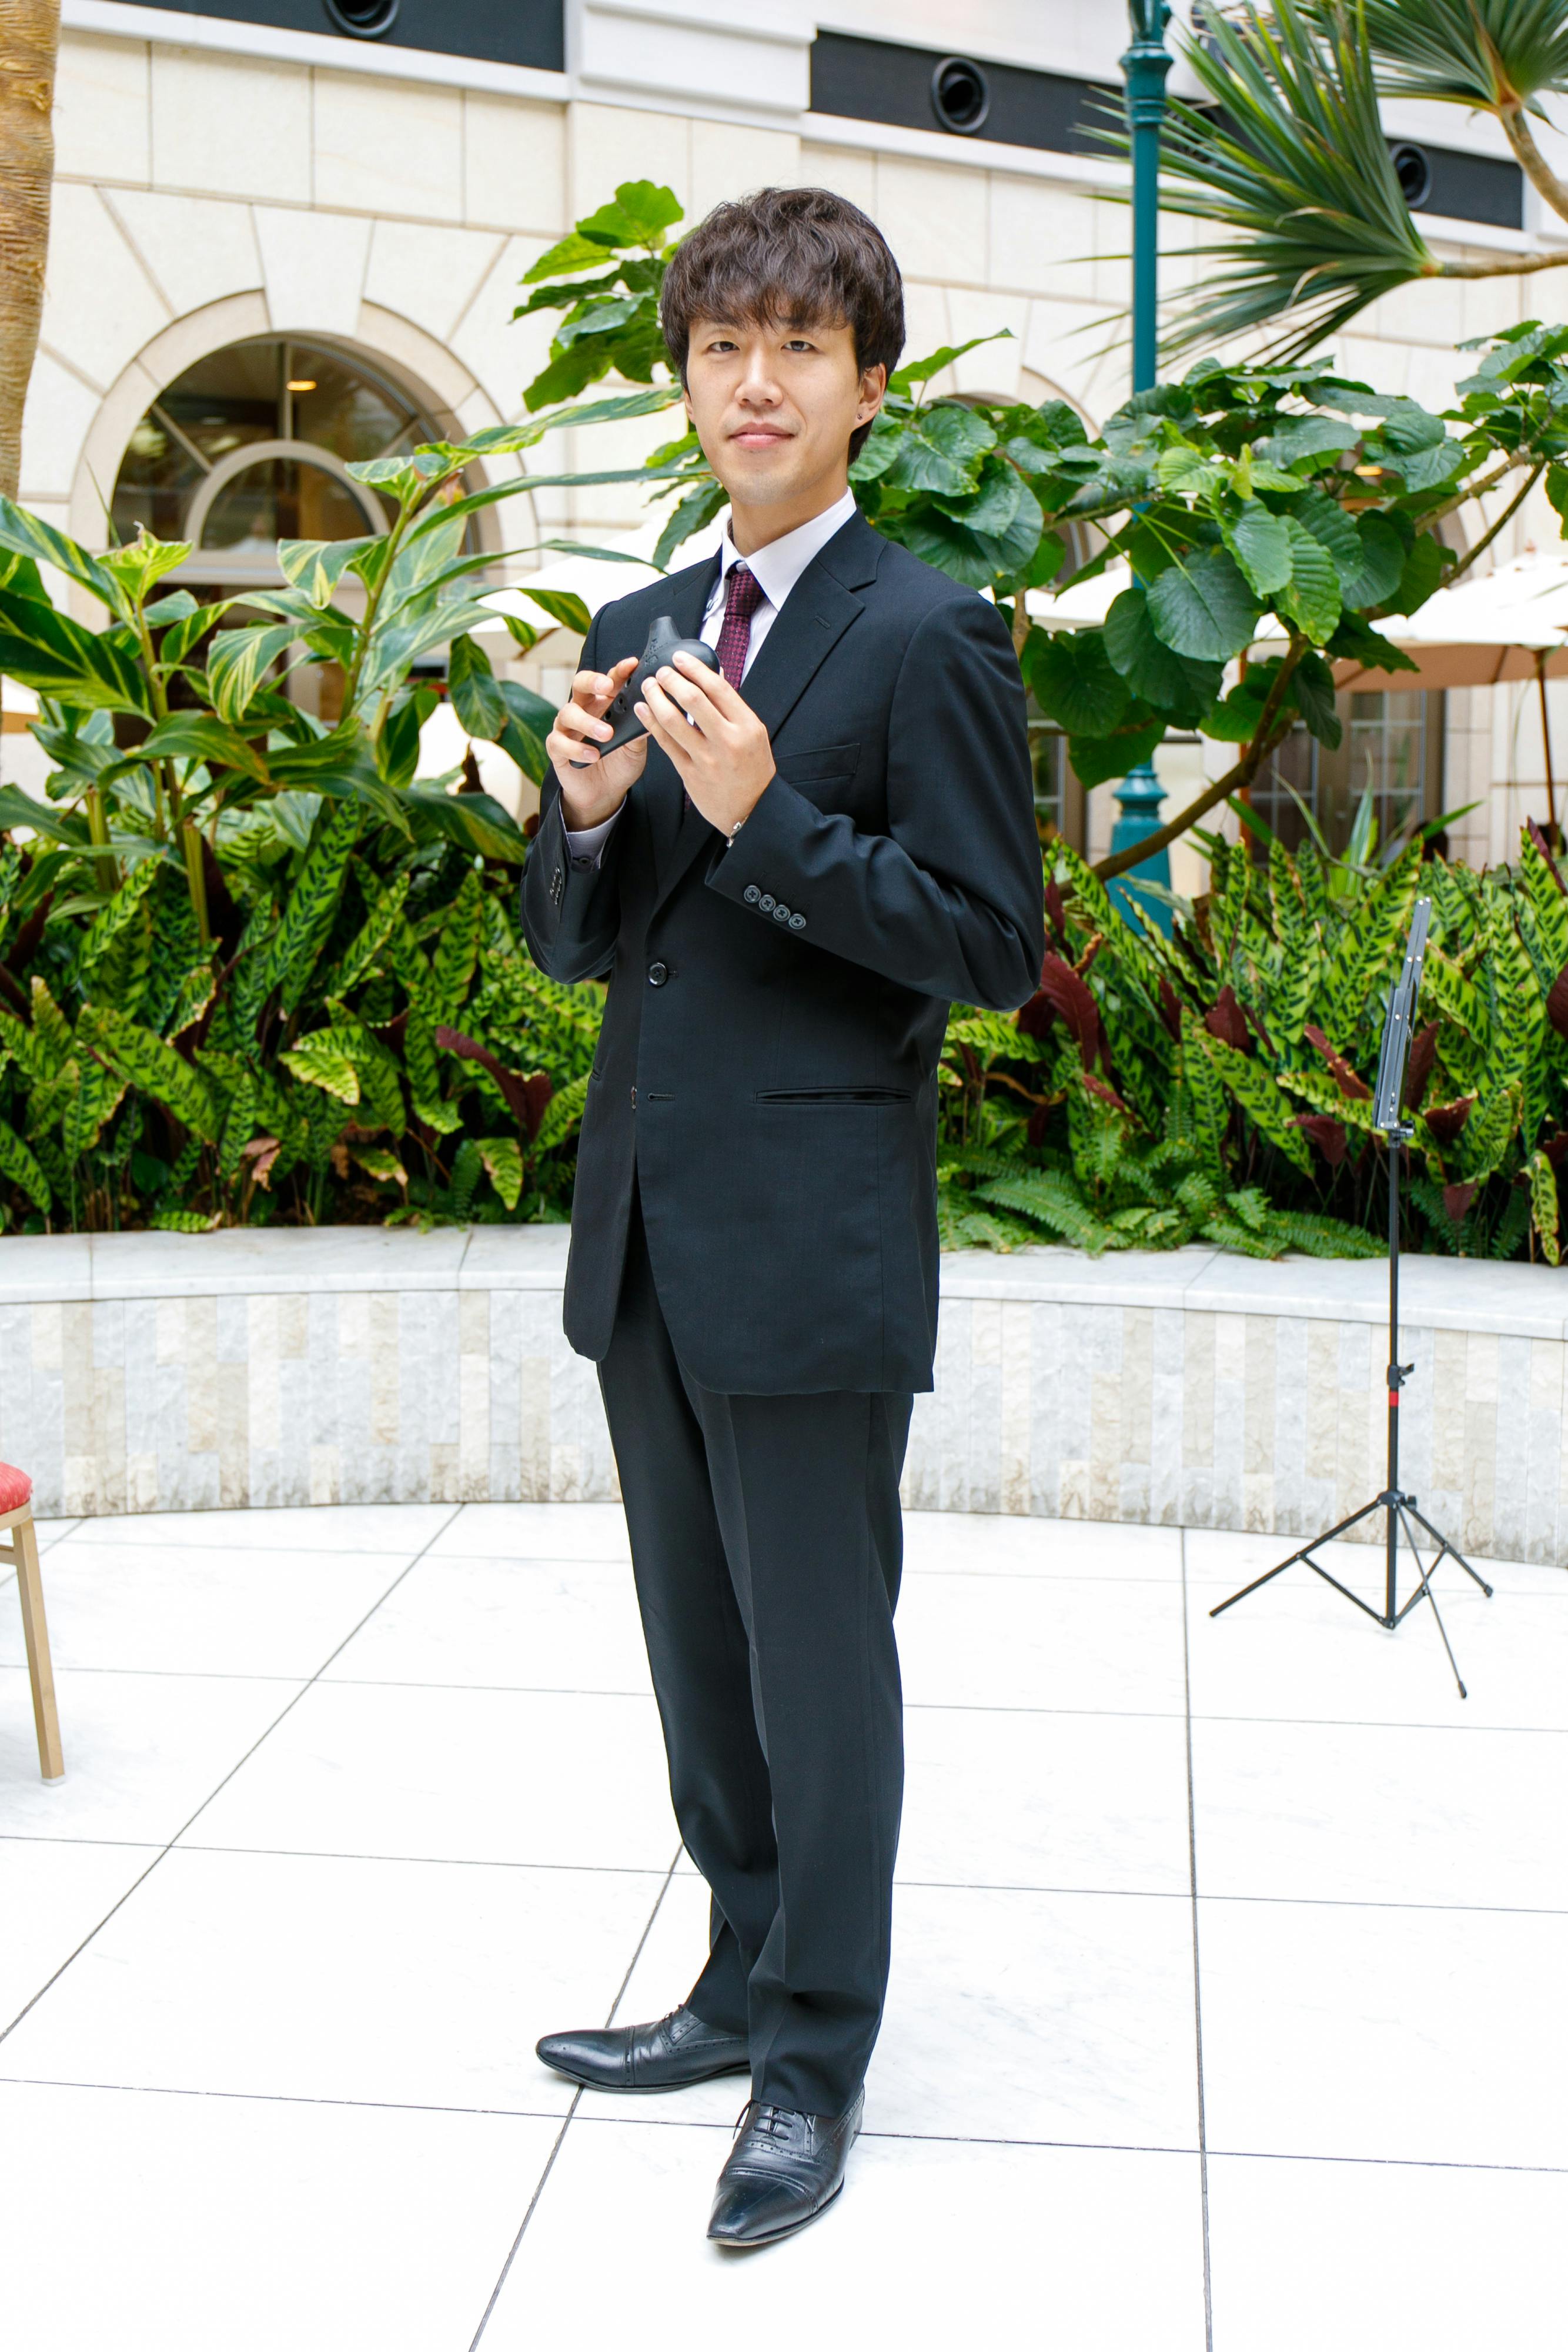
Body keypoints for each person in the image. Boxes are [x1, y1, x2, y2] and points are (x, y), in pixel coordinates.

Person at [523, 185, 1044, 2249]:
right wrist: (581, 826)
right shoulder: (641, 620)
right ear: (687, 380)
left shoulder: (929, 630)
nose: (755, 381)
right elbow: (581, 947)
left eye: (798, 347)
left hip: (816, 1240)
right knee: (697, 1653)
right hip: (647, 1230)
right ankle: (739, 1979)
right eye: (722, 347)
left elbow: (987, 948)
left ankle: (816, 2053)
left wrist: (768, 818)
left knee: (821, 1667)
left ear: (866, 386)